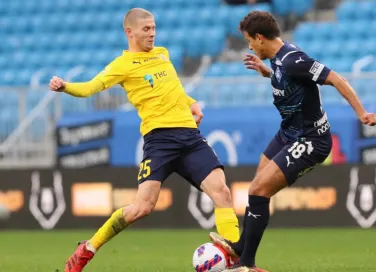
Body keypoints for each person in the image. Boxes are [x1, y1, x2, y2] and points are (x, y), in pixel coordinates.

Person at [49, 8, 241, 272]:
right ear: (130, 32)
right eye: (146, 29)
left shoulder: (162, 54)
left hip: (190, 136)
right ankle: (87, 249)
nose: (152, 33)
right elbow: (91, 87)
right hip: (160, 140)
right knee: (142, 207)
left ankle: (237, 263)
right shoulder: (122, 66)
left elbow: (172, 90)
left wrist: (192, 103)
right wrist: (66, 86)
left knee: (223, 192)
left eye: (153, 28)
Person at [209, 11, 376, 272]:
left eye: (249, 41)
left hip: (311, 139)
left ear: (259, 37)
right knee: (257, 186)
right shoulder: (278, 59)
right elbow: (287, 80)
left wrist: (361, 112)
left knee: (257, 190)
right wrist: (266, 72)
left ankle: (247, 264)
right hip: (288, 132)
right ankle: (243, 247)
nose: (250, 46)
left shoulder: (293, 60)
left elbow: (336, 79)